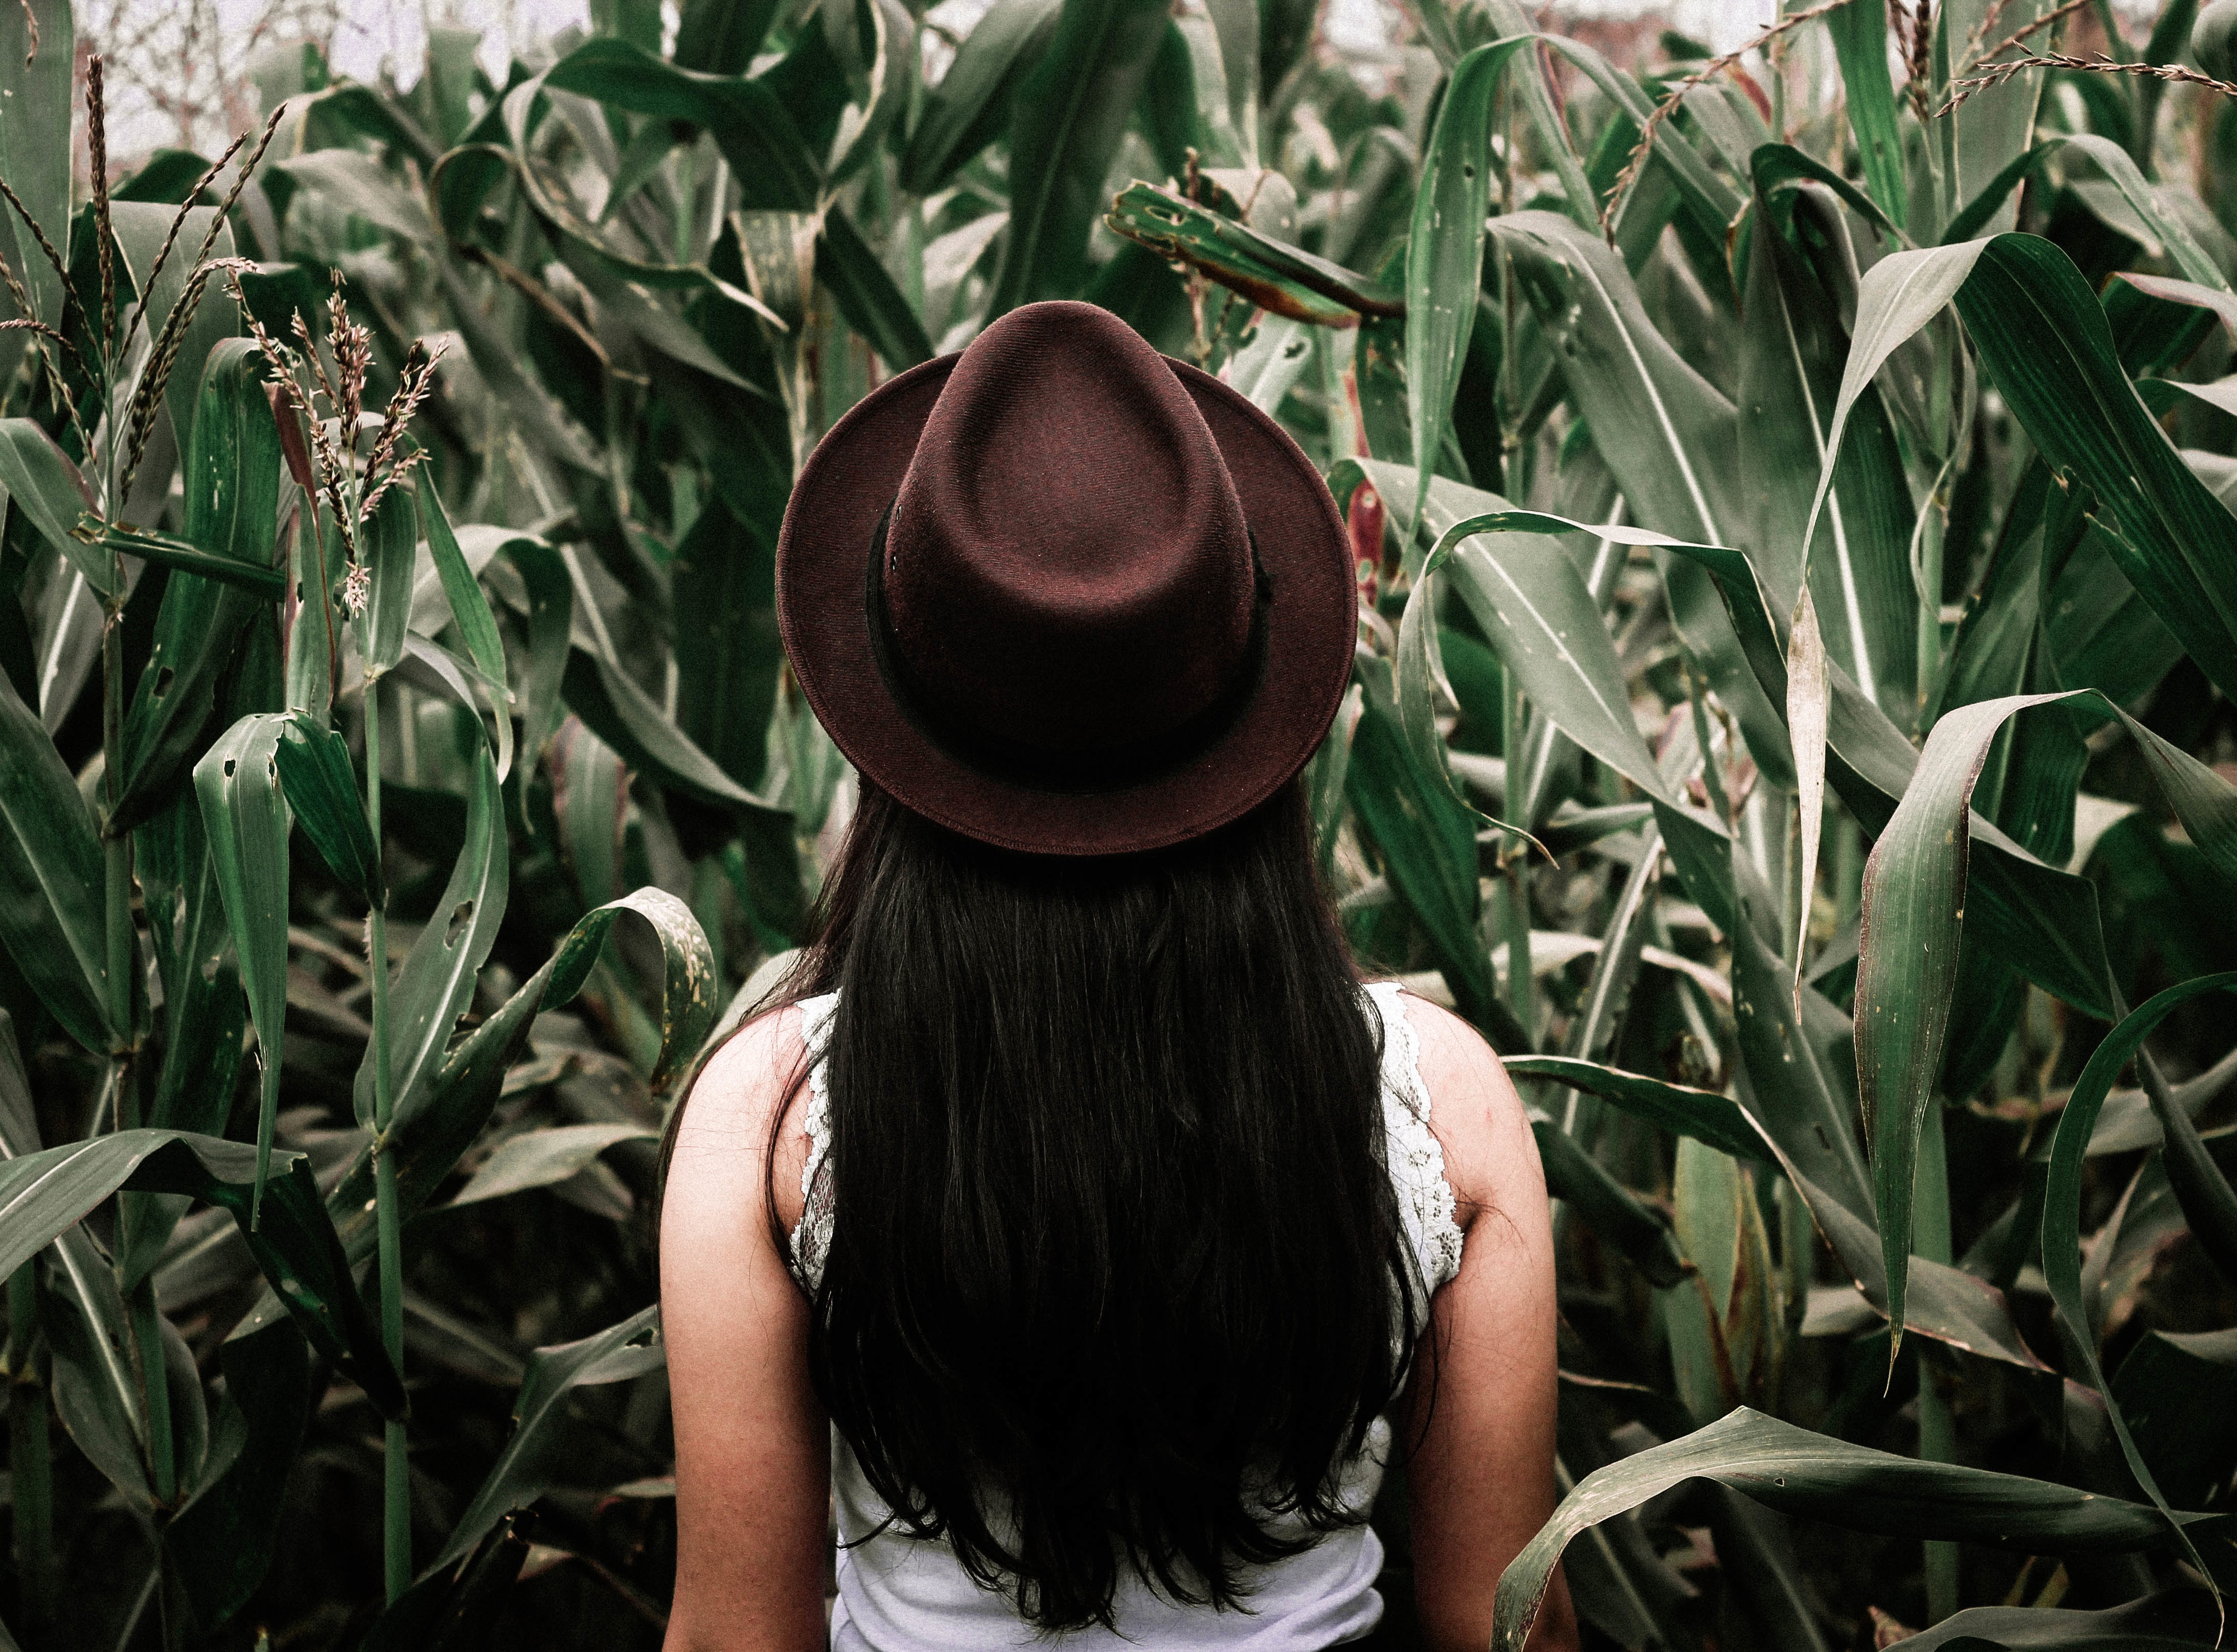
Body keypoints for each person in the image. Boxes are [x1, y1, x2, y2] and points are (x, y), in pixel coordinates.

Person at [658, 301, 1574, 1652]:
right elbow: (1503, 1630)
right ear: (1257, 730)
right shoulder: (1448, 1110)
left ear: (901, 741)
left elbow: (740, 1639)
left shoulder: (772, 1117)